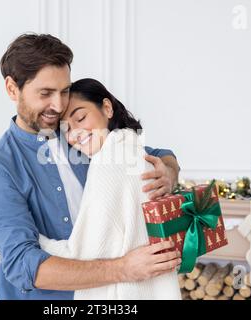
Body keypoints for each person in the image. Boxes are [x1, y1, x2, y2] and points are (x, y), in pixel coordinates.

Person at [0, 33, 181, 300]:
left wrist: (168, 171)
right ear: (13, 89)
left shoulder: (78, 134)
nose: (59, 105)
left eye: (64, 91)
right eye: (46, 93)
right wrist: (123, 269)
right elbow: (25, 266)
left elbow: (153, 154)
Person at [39, 78, 182, 299]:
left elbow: (82, 254)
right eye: (66, 128)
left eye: (81, 117)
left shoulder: (107, 164)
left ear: (107, 108)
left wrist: (35, 239)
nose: (75, 132)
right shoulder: (136, 152)